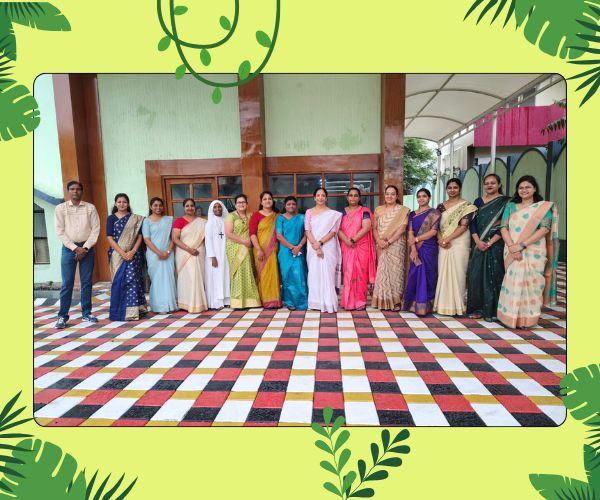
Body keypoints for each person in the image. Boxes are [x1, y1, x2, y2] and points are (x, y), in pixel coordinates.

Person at [497, 175, 559, 328]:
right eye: (521, 187)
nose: (524, 190)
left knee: (532, 284)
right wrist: (512, 247)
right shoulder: (511, 206)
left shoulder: (542, 208)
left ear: (534, 189)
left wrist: (522, 245)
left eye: (528, 187)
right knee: (512, 282)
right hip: (512, 250)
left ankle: (528, 319)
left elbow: (544, 229)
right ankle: (509, 317)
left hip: (533, 251)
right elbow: (503, 227)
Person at [54, 181, 101, 328]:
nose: (75, 191)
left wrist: (84, 248)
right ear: (68, 191)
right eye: (72, 189)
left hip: (87, 248)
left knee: (86, 282)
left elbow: (95, 229)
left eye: (78, 189)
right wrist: (75, 248)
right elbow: (60, 231)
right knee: (67, 283)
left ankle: (86, 313)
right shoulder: (60, 208)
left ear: (82, 191)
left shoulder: (90, 208)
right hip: (69, 248)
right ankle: (62, 316)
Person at [466, 174, 510, 321]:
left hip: (496, 244)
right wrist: (477, 241)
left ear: (499, 184)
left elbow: (505, 224)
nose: (489, 185)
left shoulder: (506, 202)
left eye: (493, 183)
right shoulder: (478, 201)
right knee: (476, 275)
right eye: (487, 183)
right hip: (478, 243)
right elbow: (472, 223)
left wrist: (490, 242)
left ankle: (493, 310)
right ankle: (477, 309)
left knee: (494, 275)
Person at [433, 178, 477, 316]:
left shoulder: (467, 206)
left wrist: (446, 240)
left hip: (459, 242)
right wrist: (440, 239)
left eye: (455, 187)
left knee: (459, 272)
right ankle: (443, 306)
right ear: (446, 189)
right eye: (450, 188)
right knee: (443, 271)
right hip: (443, 241)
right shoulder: (440, 206)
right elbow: (435, 225)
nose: (452, 190)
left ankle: (457, 307)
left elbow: (463, 226)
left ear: (460, 189)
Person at [107, 193, 147, 321]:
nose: (122, 204)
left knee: (134, 281)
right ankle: (119, 312)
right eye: (119, 202)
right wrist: (122, 253)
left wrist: (133, 251)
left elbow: (139, 236)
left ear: (128, 204)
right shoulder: (111, 218)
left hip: (133, 254)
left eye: (124, 202)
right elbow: (109, 238)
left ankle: (137, 310)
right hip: (117, 255)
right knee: (118, 282)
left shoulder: (135, 219)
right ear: (115, 204)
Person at [403, 188, 441, 316]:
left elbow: (433, 231)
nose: (421, 199)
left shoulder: (434, 213)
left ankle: (427, 305)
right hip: (415, 248)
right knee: (414, 274)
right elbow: (410, 232)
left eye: (424, 196)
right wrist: (413, 249)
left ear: (429, 198)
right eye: (419, 196)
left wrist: (417, 239)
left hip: (429, 247)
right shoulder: (412, 214)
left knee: (429, 274)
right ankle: (412, 304)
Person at [371, 185, 410, 311]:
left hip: (396, 245)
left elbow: (402, 229)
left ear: (397, 196)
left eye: (393, 194)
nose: (390, 196)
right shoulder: (378, 209)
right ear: (384, 195)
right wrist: (378, 240)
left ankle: (396, 301)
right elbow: (374, 228)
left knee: (396, 272)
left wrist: (388, 242)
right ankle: (381, 300)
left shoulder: (403, 210)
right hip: (381, 244)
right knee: (382, 271)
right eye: (387, 193)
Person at [305, 187, 343, 313]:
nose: (320, 198)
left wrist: (320, 243)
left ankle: (328, 303)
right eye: (318, 195)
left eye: (323, 195)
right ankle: (315, 303)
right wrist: (315, 245)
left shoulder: (333, 214)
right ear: (314, 198)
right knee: (314, 274)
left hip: (327, 246)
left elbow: (333, 232)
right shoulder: (309, 212)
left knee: (328, 274)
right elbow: (307, 230)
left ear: (326, 198)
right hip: (312, 246)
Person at [338, 187, 376, 310]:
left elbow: (366, 227)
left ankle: (360, 301)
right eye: (351, 195)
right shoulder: (342, 212)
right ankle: (347, 301)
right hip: (347, 246)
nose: (353, 198)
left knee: (361, 273)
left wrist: (353, 240)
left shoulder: (364, 211)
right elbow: (337, 228)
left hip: (361, 246)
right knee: (348, 273)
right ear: (347, 197)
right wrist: (347, 241)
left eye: (355, 195)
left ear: (359, 198)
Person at [224, 194, 261, 309]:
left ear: (247, 204)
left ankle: (251, 301)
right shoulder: (230, 216)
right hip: (235, 247)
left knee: (248, 271)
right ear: (235, 205)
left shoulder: (251, 215)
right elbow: (228, 233)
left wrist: (248, 242)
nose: (241, 204)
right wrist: (243, 241)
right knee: (238, 272)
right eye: (239, 202)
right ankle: (238, 301)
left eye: (243, 202)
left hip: (248, 246)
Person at [172, 198, 208, 313]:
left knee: (199, 277)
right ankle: (187, 303)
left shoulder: (202, 222)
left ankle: (199, 304)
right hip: (184, 252)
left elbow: (206, 238)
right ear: (184, 208)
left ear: (195, 207)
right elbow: (175, 238)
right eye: (187, 206)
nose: (190, 208)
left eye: (192, 205)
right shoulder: (179, 221)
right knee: (188, 278)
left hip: (199, 252)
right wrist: (189, 249)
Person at [141, 197, 177, 314]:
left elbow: (174, 238)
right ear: (151, 207)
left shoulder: (169, 220)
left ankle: (170, 305)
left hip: (168, 254)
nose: (158, 207)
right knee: (157, 279)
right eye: (155, 205)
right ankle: (159, 306)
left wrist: (167, 252)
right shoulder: (146, 221)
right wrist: (159, 253)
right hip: (153, 255)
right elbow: (146, 239)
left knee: (168, 279)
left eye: (160, 205)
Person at [249, 191, 282, 308]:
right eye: (265, 199)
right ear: (261, 202)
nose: (268, 201)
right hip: (260, 249)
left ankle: (275, 300)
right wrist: (258, 249)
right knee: (262, 274)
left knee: (273, 273)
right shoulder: (256, 215)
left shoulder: (277, 216)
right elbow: (252, 234)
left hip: (274, 249)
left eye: (269, 198)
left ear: (272, 201)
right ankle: (264, 300)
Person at [276, 196, 308, 310]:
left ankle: (302, 301)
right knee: (287, 276)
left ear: (296, 206)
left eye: (293, 204)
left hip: (299, 250)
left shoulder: (302, 218)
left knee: (299, 275)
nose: (291, 206)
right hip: (285, 251)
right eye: (288, 204)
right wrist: (292, 247)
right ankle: (289, 302)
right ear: (285, 206)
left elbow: (307, 233)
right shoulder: (280, 218)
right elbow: (279, 235)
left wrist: (298, 247)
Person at [205, 200, 231, 309]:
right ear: (212, 209)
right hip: (215, 254)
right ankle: (217, 302)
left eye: (219, 206)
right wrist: (212, 257)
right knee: (216, 277)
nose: (217, 209)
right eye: (215, 207)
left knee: (226, 275)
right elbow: (208, 240)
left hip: (225, 253)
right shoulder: (210, 223)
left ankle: (226, 300)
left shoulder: (226, 221)